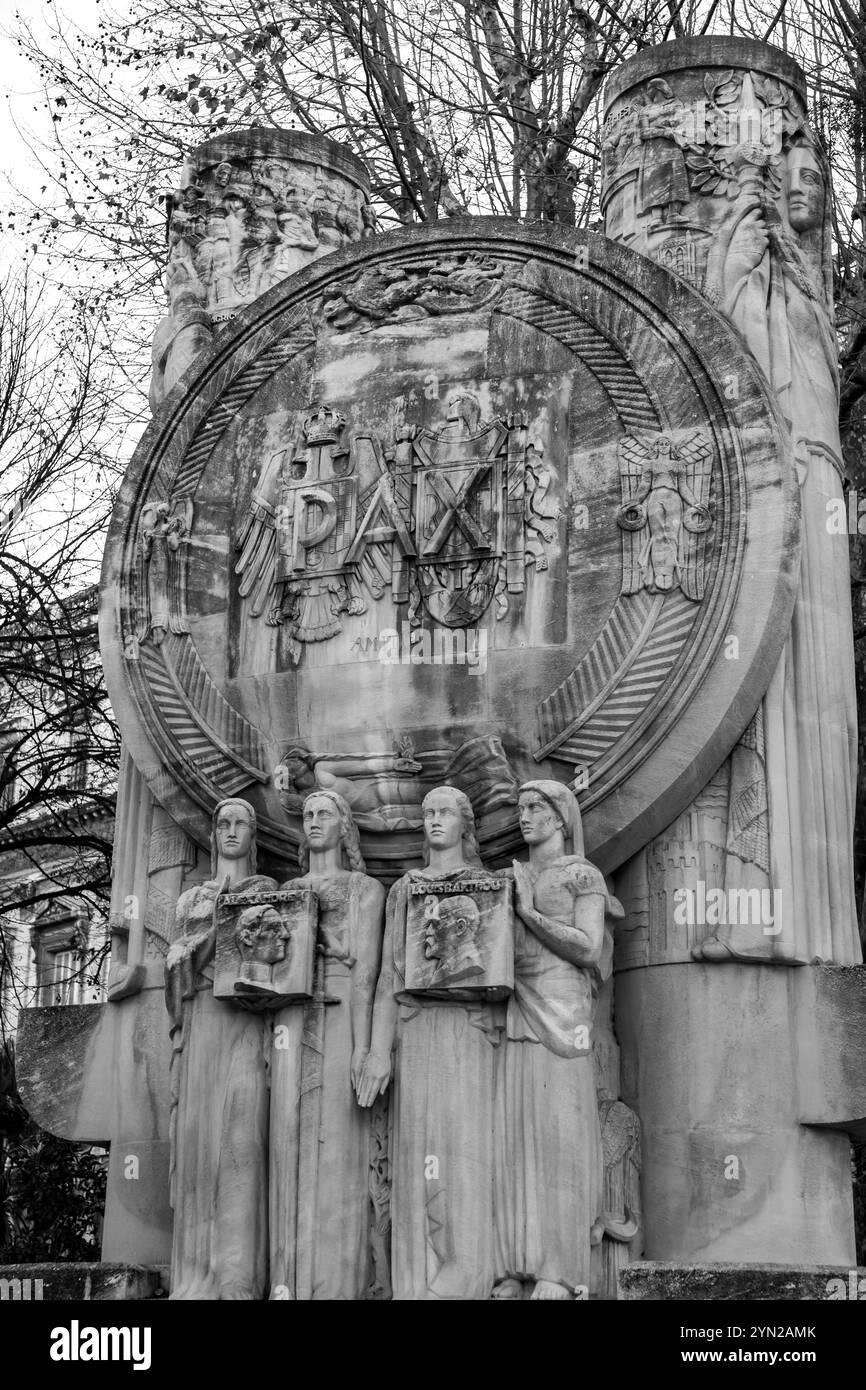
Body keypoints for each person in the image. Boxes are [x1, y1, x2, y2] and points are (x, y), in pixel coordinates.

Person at [357, 786, 504, 1299]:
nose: (434, 821)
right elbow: (387, 978)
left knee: (464, 1150)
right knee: (416, 1152)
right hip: (415, 1031)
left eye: (445, 812)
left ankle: (465, 1270)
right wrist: (378, 1050)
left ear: (466, 822)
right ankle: (416, 1281)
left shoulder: (488, 886)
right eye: (427, 814)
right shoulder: (405, 890)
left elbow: (500, 979)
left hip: (467, 1031)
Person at [493, 779, 618, 1301]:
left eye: (536, 807)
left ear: (562, 817)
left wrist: (528, 913)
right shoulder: (510, 874)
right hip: (514, 1009)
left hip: (565, 1015)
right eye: (520, 808)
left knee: (561, 1142)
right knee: (514, 1139)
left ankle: (562, 1269)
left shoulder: (580, 874)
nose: (525, 816)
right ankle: (515, 1262)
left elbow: (589, 948)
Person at [269, 789, 386, 1299]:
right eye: (309, 815)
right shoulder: (287, 890)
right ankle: (285, 1281)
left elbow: (367, 973)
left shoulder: (365, 889)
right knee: (287, 1139)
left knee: (339, 1145)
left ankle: (339, 1285)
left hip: (341, 1013)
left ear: (345, 828)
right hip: (290, 1019)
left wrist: (364, 1047)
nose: (314, 822)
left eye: (325, 814)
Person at [165, 798, 276, 1299]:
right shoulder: (193, 898)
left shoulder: (268, 891)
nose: (231, 831)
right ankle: (198, 1278)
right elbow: (177, 963)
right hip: (206, 1023)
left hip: (248, 1023)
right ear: (212, 835)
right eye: (223, 824)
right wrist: (219, 922)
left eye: (241, 824)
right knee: (201, 1145)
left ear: (254, 836)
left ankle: (239, 1277)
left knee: (243, 1141)